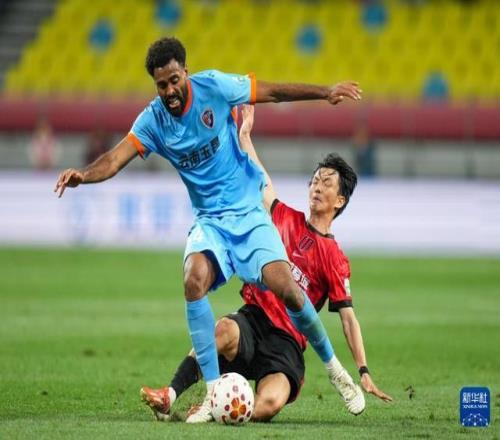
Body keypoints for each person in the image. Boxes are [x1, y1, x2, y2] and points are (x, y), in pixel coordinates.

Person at [54, 37, 363, 423]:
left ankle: (335, 370)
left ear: (185, 71)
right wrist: (83, 175)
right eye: (161, 85)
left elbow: (272, 92)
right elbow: (115, 159)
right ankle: (215, 390)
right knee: (193, 279)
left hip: (248, 213)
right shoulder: (153, 121)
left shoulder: (215, 87)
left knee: (288, 289)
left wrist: (325, 92)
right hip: (211, 223)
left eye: (174, 80)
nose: (169, 90)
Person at [141, 105, 392, 422]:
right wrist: (245, 137)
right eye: (315, 180)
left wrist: (363, 370)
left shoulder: (334, 257)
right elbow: (260, 180)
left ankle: (214, 409)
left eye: (327, 183)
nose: (317, 186)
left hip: (287, 343)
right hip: (254, 319)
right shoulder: (285, 218)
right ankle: (171, 395)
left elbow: (348, 319)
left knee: (270, 404)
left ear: (340, 200)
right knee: (221, 330)